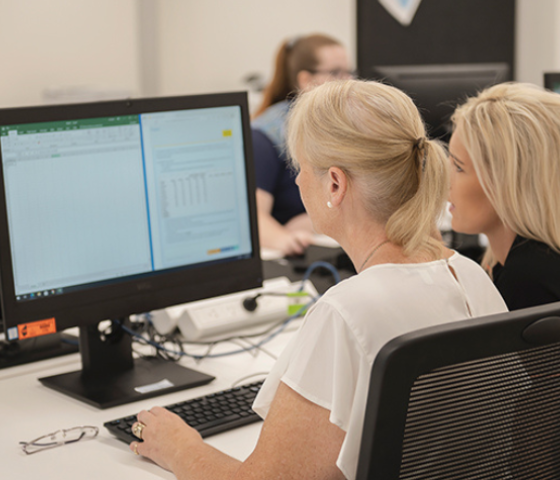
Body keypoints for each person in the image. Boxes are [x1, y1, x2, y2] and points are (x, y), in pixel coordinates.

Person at [128, 80, 507, 480]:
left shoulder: (347, 312)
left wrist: (180, 447)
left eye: (301, 168)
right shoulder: (469, 275)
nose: (296, 181)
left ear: (336, 184)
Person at [449, 82, 560, 310]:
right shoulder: (521, 263)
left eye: (459, 167)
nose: (444, 180)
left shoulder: (528, 280)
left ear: (509, 182)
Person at [252, 33, 353, 255]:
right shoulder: (266, 135)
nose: (347, 81)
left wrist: (314, 222)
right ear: (306, 80)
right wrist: (287, 239)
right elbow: (254, 218)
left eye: (349, 72)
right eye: (336, 73)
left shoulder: (343, 128)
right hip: (297, 257)